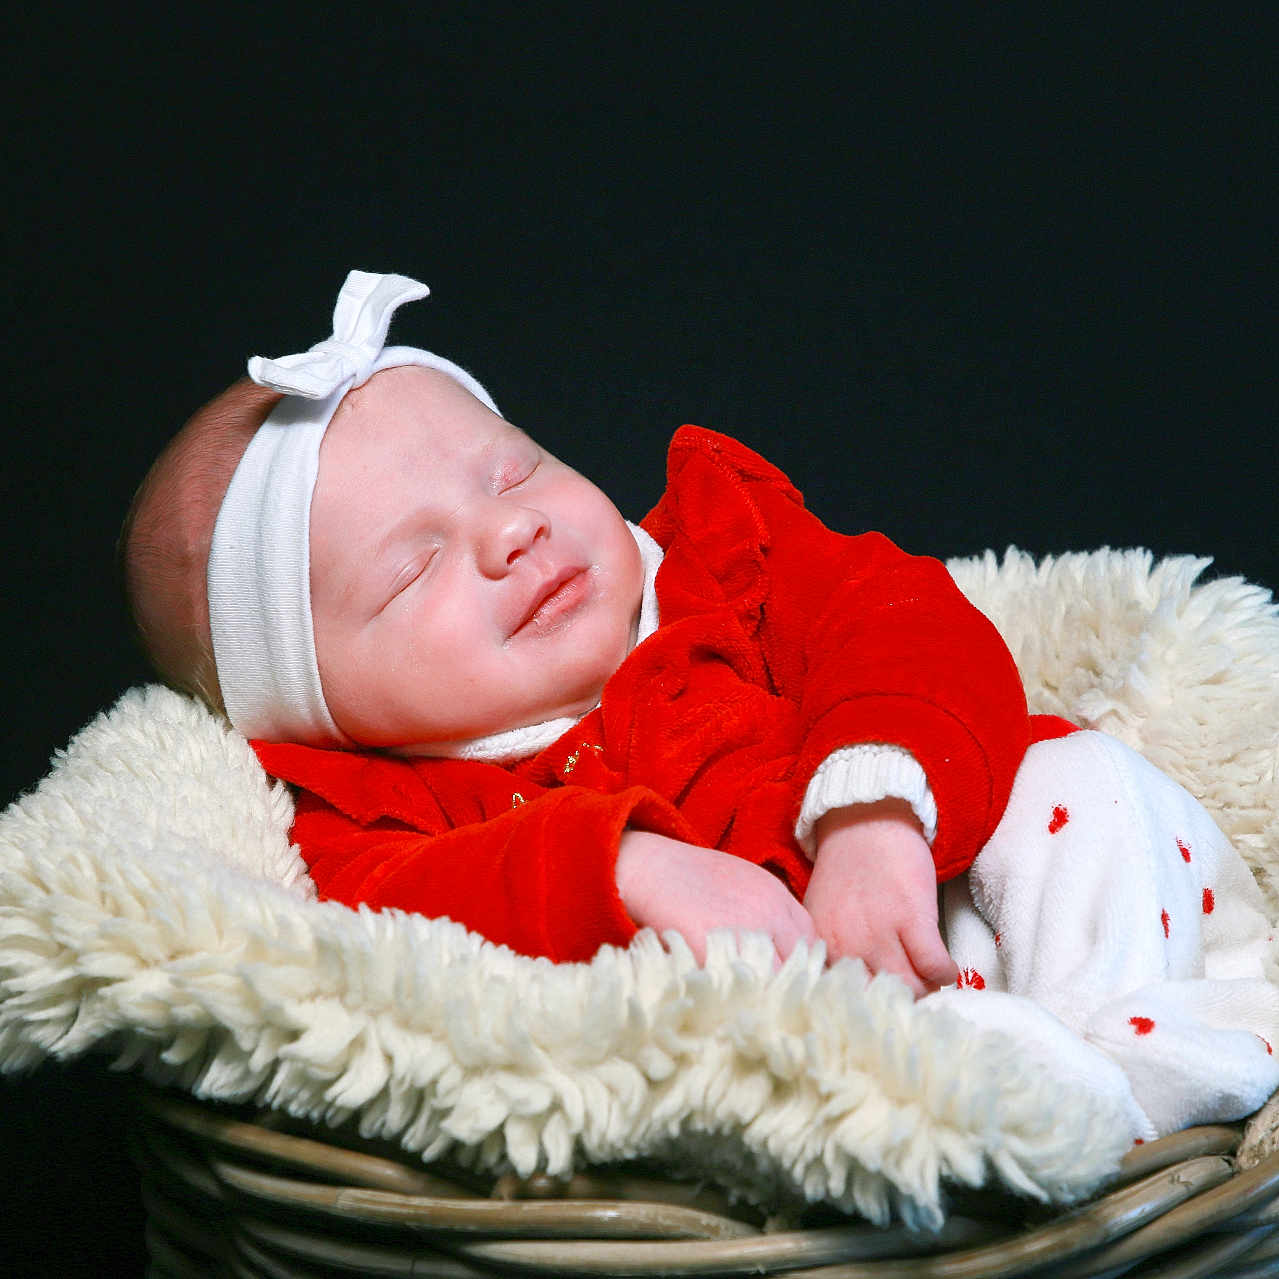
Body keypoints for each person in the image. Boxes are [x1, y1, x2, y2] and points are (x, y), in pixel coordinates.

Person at [123, 270, 1279, 1138]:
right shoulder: (369, 807)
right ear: (313, 709)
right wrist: (625, 869)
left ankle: (1115, 1067)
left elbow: (903, 622)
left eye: (513, 469)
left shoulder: (725, 558)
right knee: (766, 1057)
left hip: (995, 902)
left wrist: (873, 815)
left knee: (1075, 781)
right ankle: (1046, 1105)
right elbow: (374, 919)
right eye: (414, 566)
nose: (513, 529)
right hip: (863, 1065)